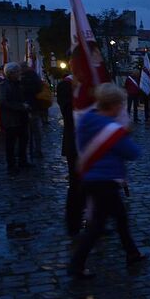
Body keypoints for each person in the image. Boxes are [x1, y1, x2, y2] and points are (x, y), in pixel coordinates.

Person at [68, 83, 145, 279]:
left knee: (121, 217)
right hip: (106, 181)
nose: (121, 108)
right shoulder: (111, 130)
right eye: (120, 104)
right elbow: (133, 153)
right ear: (114, 104)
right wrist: (125, 133)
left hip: (89, 178)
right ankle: (76, 265)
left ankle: (132, 253)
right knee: (97, 226)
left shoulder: (86, 120)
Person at [56, 75, 84, 236]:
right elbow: (68, 114)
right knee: (76, 182)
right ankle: (73, 223)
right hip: (75, 140)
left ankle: (93, 219)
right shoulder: (65, 85)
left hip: (89, 141)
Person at [0, 63, 32, 173]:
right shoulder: (3, 85)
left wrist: (27, 104)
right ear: (11, 73)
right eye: (17, 72)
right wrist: (21, 106)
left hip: (22, 118)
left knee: (23, 141)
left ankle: (23, 160)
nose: (19, 74)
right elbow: (3, 101)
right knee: (11, 144)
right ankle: (11, 165)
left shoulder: (19, 84)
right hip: (11, 119)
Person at [21, 62, 44, 161]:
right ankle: (36, 150)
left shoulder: (27, 78)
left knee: (32, 130)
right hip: (33, 106)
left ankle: (33, 150)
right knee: (35, 131)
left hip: (30, 107)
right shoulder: (34, 76)